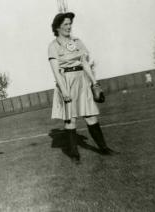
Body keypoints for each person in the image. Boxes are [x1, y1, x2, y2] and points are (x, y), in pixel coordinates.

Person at [48, 12, 117, 164]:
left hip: (82, 80)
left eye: (70, 23)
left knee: (91, 116)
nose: (69, 27)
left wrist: (94, 82)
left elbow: (85, 63)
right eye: (65, 24)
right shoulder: (53, 46)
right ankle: (74, 154)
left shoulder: (77, 41)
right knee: (70, 120)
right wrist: (64, 91)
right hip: (66, 82)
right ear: (57, 27)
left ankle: (104, 148)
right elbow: (55, 71)